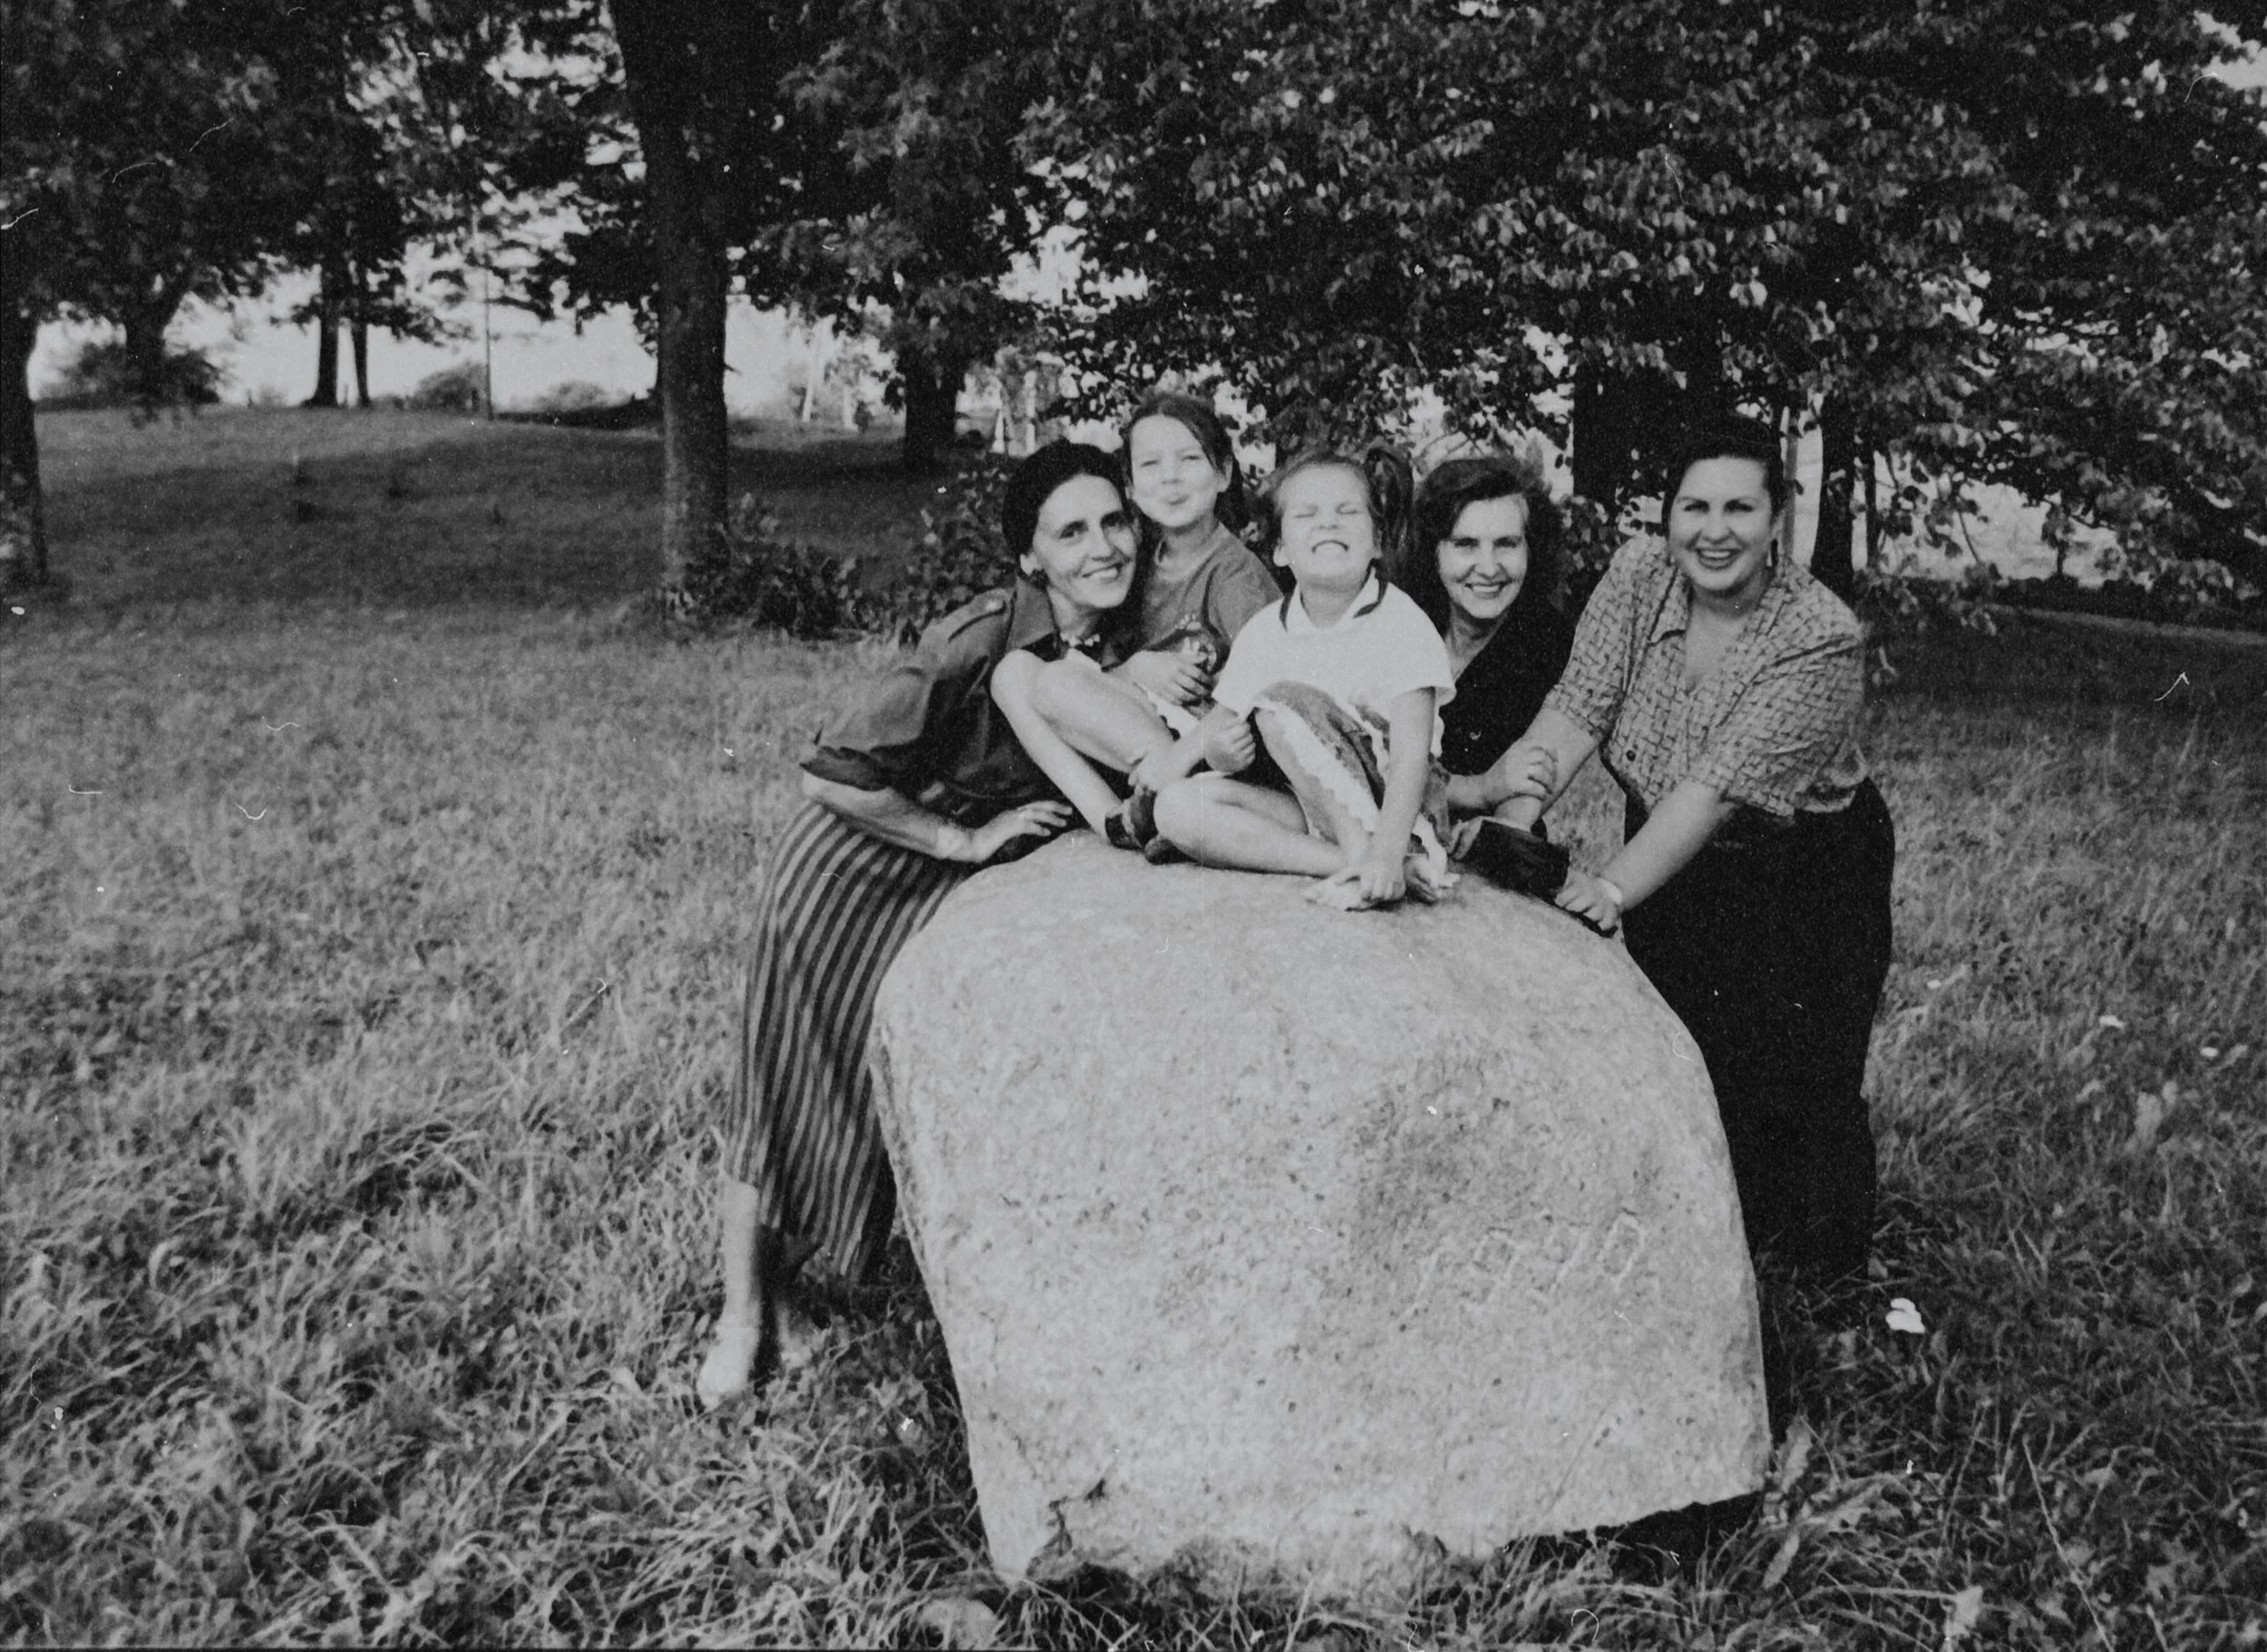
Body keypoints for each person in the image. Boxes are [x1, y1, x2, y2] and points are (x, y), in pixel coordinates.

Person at [696, 442, 1138, 1408]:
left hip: (920, 897)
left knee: (850, 1102)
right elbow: (829, 772)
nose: (1103, 546)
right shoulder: (978, 638)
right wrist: (956, 838)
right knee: (781, 1094)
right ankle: (738, 1316)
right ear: (1030, 558)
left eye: (1114, 522)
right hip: (846, 875)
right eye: (1072, 532)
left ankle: (787, 1300)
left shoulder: (1103, 646)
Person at [1486, 415, 1895, 1281]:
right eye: (1694, 506)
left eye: (1740, 508)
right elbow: (1580, 703)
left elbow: (1712, 791)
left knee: (1806, 1070)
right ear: (1666, 515)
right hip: (1668, 835)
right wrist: (1512, 825)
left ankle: (1826, 1280)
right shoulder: (1638, 573)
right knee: (1689, 1048)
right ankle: (1699, 1247)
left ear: (1778, 516)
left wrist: (1609, 890)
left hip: (1805, 863)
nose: (1716, 531)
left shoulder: (1818, 635)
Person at [1148, 446, 1457, 909]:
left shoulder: (1402, 622)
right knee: (1175, 808)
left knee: (1278, 702)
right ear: (1280, 550)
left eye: (1348, 512)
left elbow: (1413, 755)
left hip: (1397, 809)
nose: (1328, 523)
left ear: (1376, 542)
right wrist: (1213, 755)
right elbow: (1219, 724)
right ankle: (1345, 862)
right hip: (1309, 805)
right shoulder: (1267, 629)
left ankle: (1378, 859)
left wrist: (1389, 850)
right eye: (1307, 514)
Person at [988, 391, 1281, 847]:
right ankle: (1116, 820)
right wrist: (1136, 667)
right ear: (1130, 485)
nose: (1170, 479)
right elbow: (1116, 670)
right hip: (1159, 733)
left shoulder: (1234, 575)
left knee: (1057, 679)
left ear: (1223, 473)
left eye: (1188, 459)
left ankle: (1165, 797)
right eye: (1150, 465)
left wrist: (1185, 753)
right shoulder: (1141, 560)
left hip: (1216, 747)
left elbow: (1271, 684)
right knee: (1013, 674)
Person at [1398, 452, 1576, 809]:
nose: (1488, 567)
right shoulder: (1401, 627)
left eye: (1507, 544)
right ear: (1433, 552)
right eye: (1465, 545)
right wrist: (1478, 786)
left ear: (1532, 549)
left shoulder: (1550, 647)